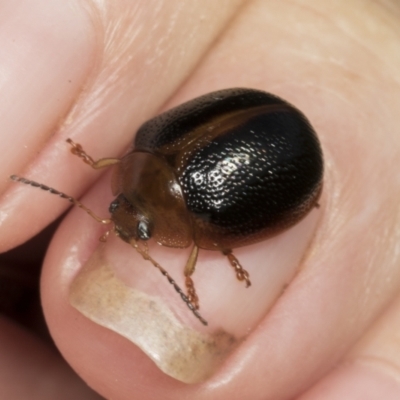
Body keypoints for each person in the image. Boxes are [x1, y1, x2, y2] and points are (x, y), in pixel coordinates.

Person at [1, 1, 400, 398]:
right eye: (121, 210)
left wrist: (188, 278)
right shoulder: (156, 152)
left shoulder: (168, 173)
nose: (118, 226)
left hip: (281, 148)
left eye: (129, 218)